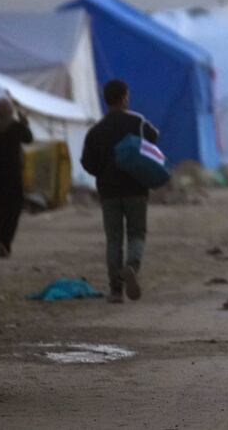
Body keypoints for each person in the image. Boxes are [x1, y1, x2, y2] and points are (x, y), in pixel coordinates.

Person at [80, 79, 160, 304]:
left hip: (108, 192)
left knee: (113, 239)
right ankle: (132, 266)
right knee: (136, 233)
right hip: (136, 188)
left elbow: (87, 162)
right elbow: (155, 137)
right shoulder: (138, 122)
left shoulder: (95, 131)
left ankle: (116, 290)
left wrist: (103, 173)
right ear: (124, 97)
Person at [0, 97, 33, 258]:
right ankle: (6, 241)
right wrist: (24, 120)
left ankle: (0, 242)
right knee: (13, 210)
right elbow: (28, 138)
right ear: (10, 111)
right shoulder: (15, 127)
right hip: (12, 176)